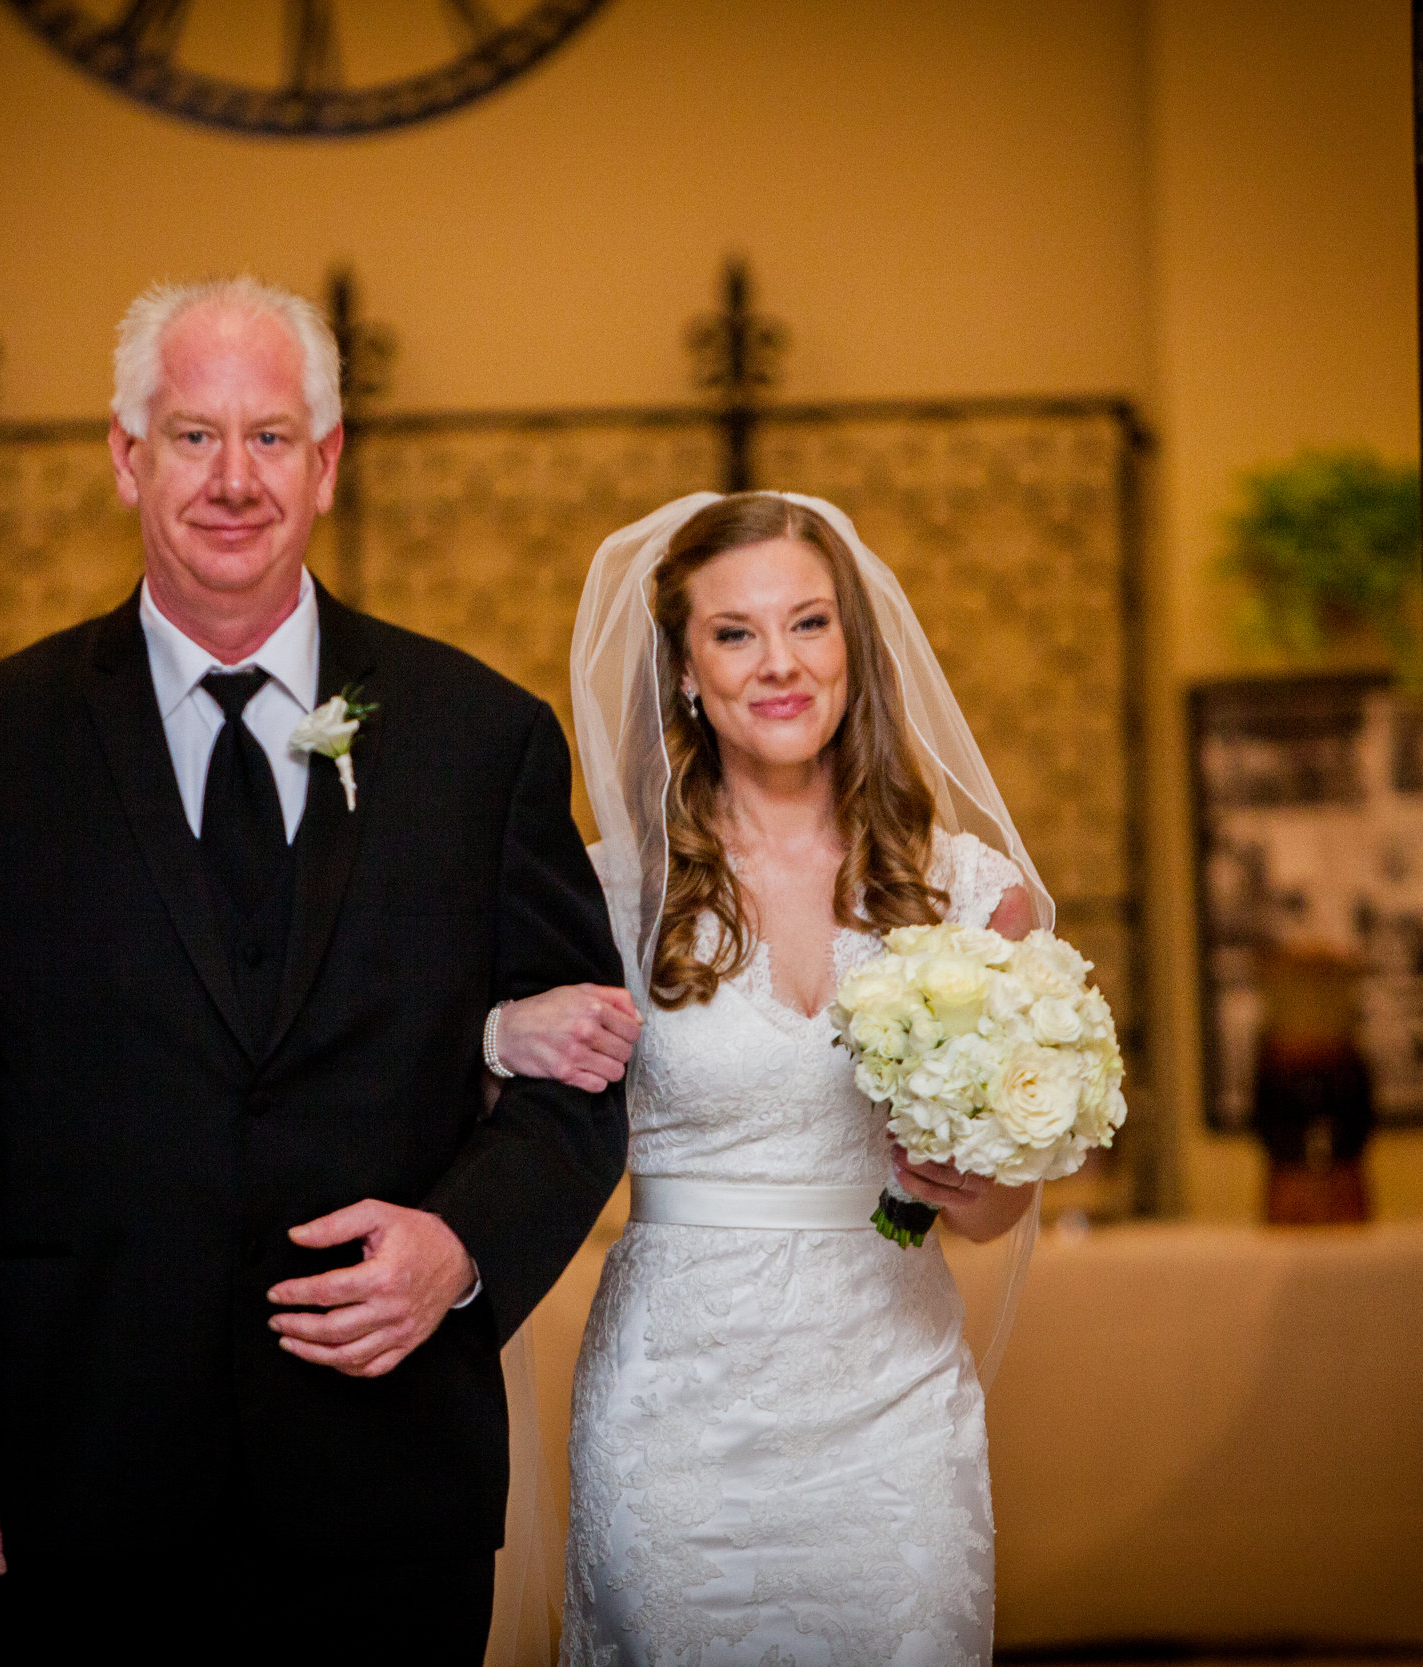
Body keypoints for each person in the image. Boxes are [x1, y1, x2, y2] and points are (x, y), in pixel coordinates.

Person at [0, 276, 628, 1663]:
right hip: (77, 1480)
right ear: (124, 454)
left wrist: (460, 1251)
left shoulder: (478, 739)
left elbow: (582, 1077)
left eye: (270, 437)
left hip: (390, 1486)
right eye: (192, 435)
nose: (231, 478)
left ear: (326, 465)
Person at [498, 491, 1053, 1663]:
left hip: (892, 1401)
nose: (779, 663)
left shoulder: (964, 890)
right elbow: (474, 1107)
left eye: (807, 623)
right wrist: (500, 1030)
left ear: (853, 643)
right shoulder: (607, 897)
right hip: (672, 1409)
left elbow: (1001, 1211)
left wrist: (967, 1177)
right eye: (735, 633)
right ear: (686, 671)